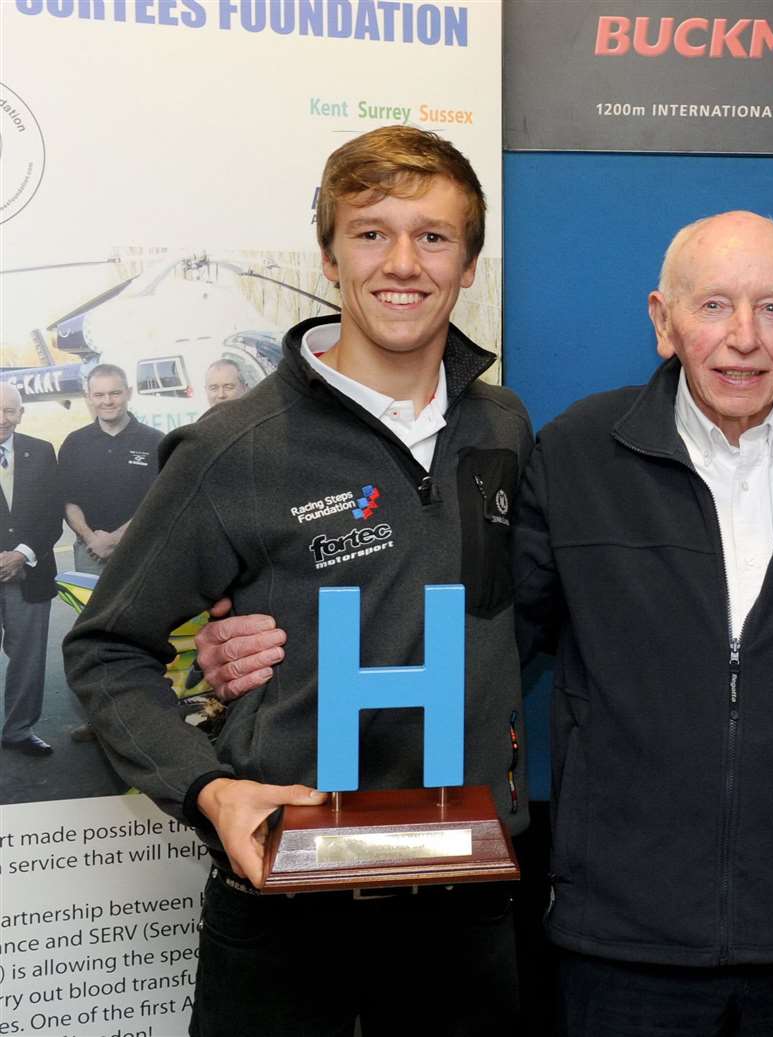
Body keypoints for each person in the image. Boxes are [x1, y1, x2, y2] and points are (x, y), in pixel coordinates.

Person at [192, 212, 773, 1034]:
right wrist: (273, 637)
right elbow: (474, 634)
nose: (744, 336)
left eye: (771, 308)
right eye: (713, 305)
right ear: (662, 321)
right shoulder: (573, 455)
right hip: (625, 942)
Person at [64, 125, 531, 1037]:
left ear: (469, 263)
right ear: (328, 254)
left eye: (434, 236)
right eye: (371, 232)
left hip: (461, 889)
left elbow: (511, 606)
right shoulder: (232, 448)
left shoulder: (503, 425)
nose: (403, 262)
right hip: (287, 900)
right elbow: (106, 649)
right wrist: (208, 785)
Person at [0, 382, 62, 756]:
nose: (1, 419)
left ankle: (18, 730)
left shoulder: (40, 452)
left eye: (9, 411)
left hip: (30, 573)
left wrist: (21, 554)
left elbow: (52, 513)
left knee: (28, 658)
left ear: (21, 413)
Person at [59, 364, 162, 574]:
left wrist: (115, 539)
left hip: (143, 551)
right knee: (93, 608)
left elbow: (160, 502)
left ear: (129, 393)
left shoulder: (156, 441)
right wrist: (91, 539)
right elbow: (68, 501)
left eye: (115, 393)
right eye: (99, 394)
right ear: (89, 397)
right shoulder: (74, 442)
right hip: (91, 553)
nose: (107, 401)